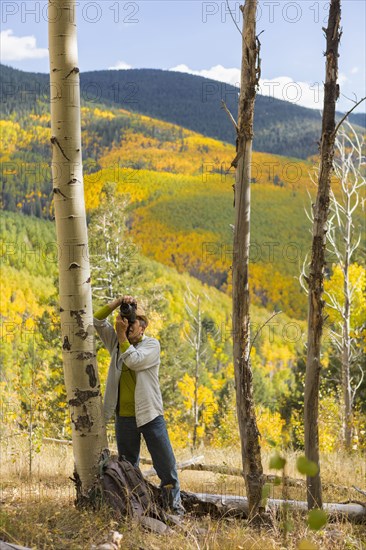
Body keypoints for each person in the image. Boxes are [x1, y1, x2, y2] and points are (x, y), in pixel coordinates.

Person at [93, 294, 184, 515]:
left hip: (150, 414)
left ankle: (174, 507)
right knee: (129, 467)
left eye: (132, 322)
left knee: (166, 465)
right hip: (124, 416)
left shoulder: (152, 345)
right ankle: (137, 507)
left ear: (142, 328)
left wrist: (122, 337)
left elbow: (133, 361)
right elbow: (96, 321)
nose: (128, 326)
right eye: (126, 322)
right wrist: (116, 304)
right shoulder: (117, 343)